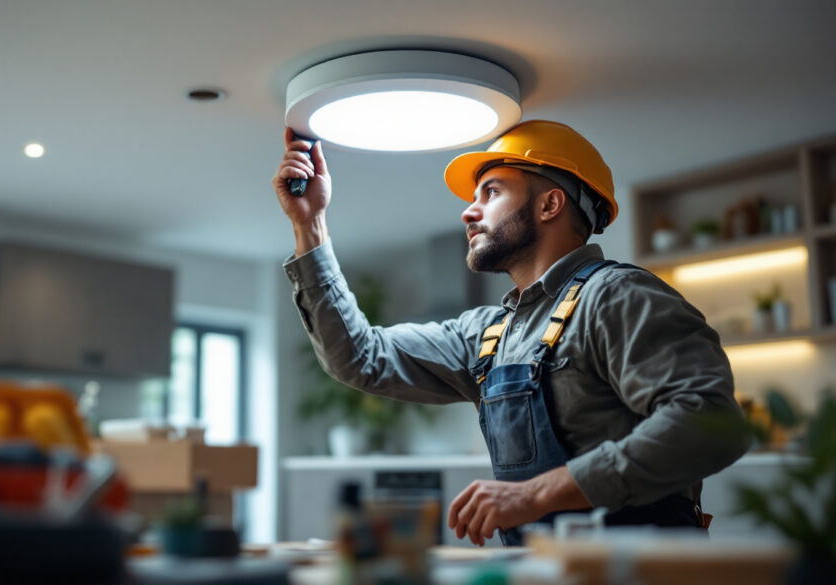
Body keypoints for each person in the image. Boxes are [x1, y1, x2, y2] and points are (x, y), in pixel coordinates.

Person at [271, 120, 750, 546]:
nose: (468, 212)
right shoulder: (487, 333)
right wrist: (310, 224)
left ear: (550, 204)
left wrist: (536, 494)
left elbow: (711, 423)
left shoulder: (618, 296)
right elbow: (360, 357)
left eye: (491, 192)